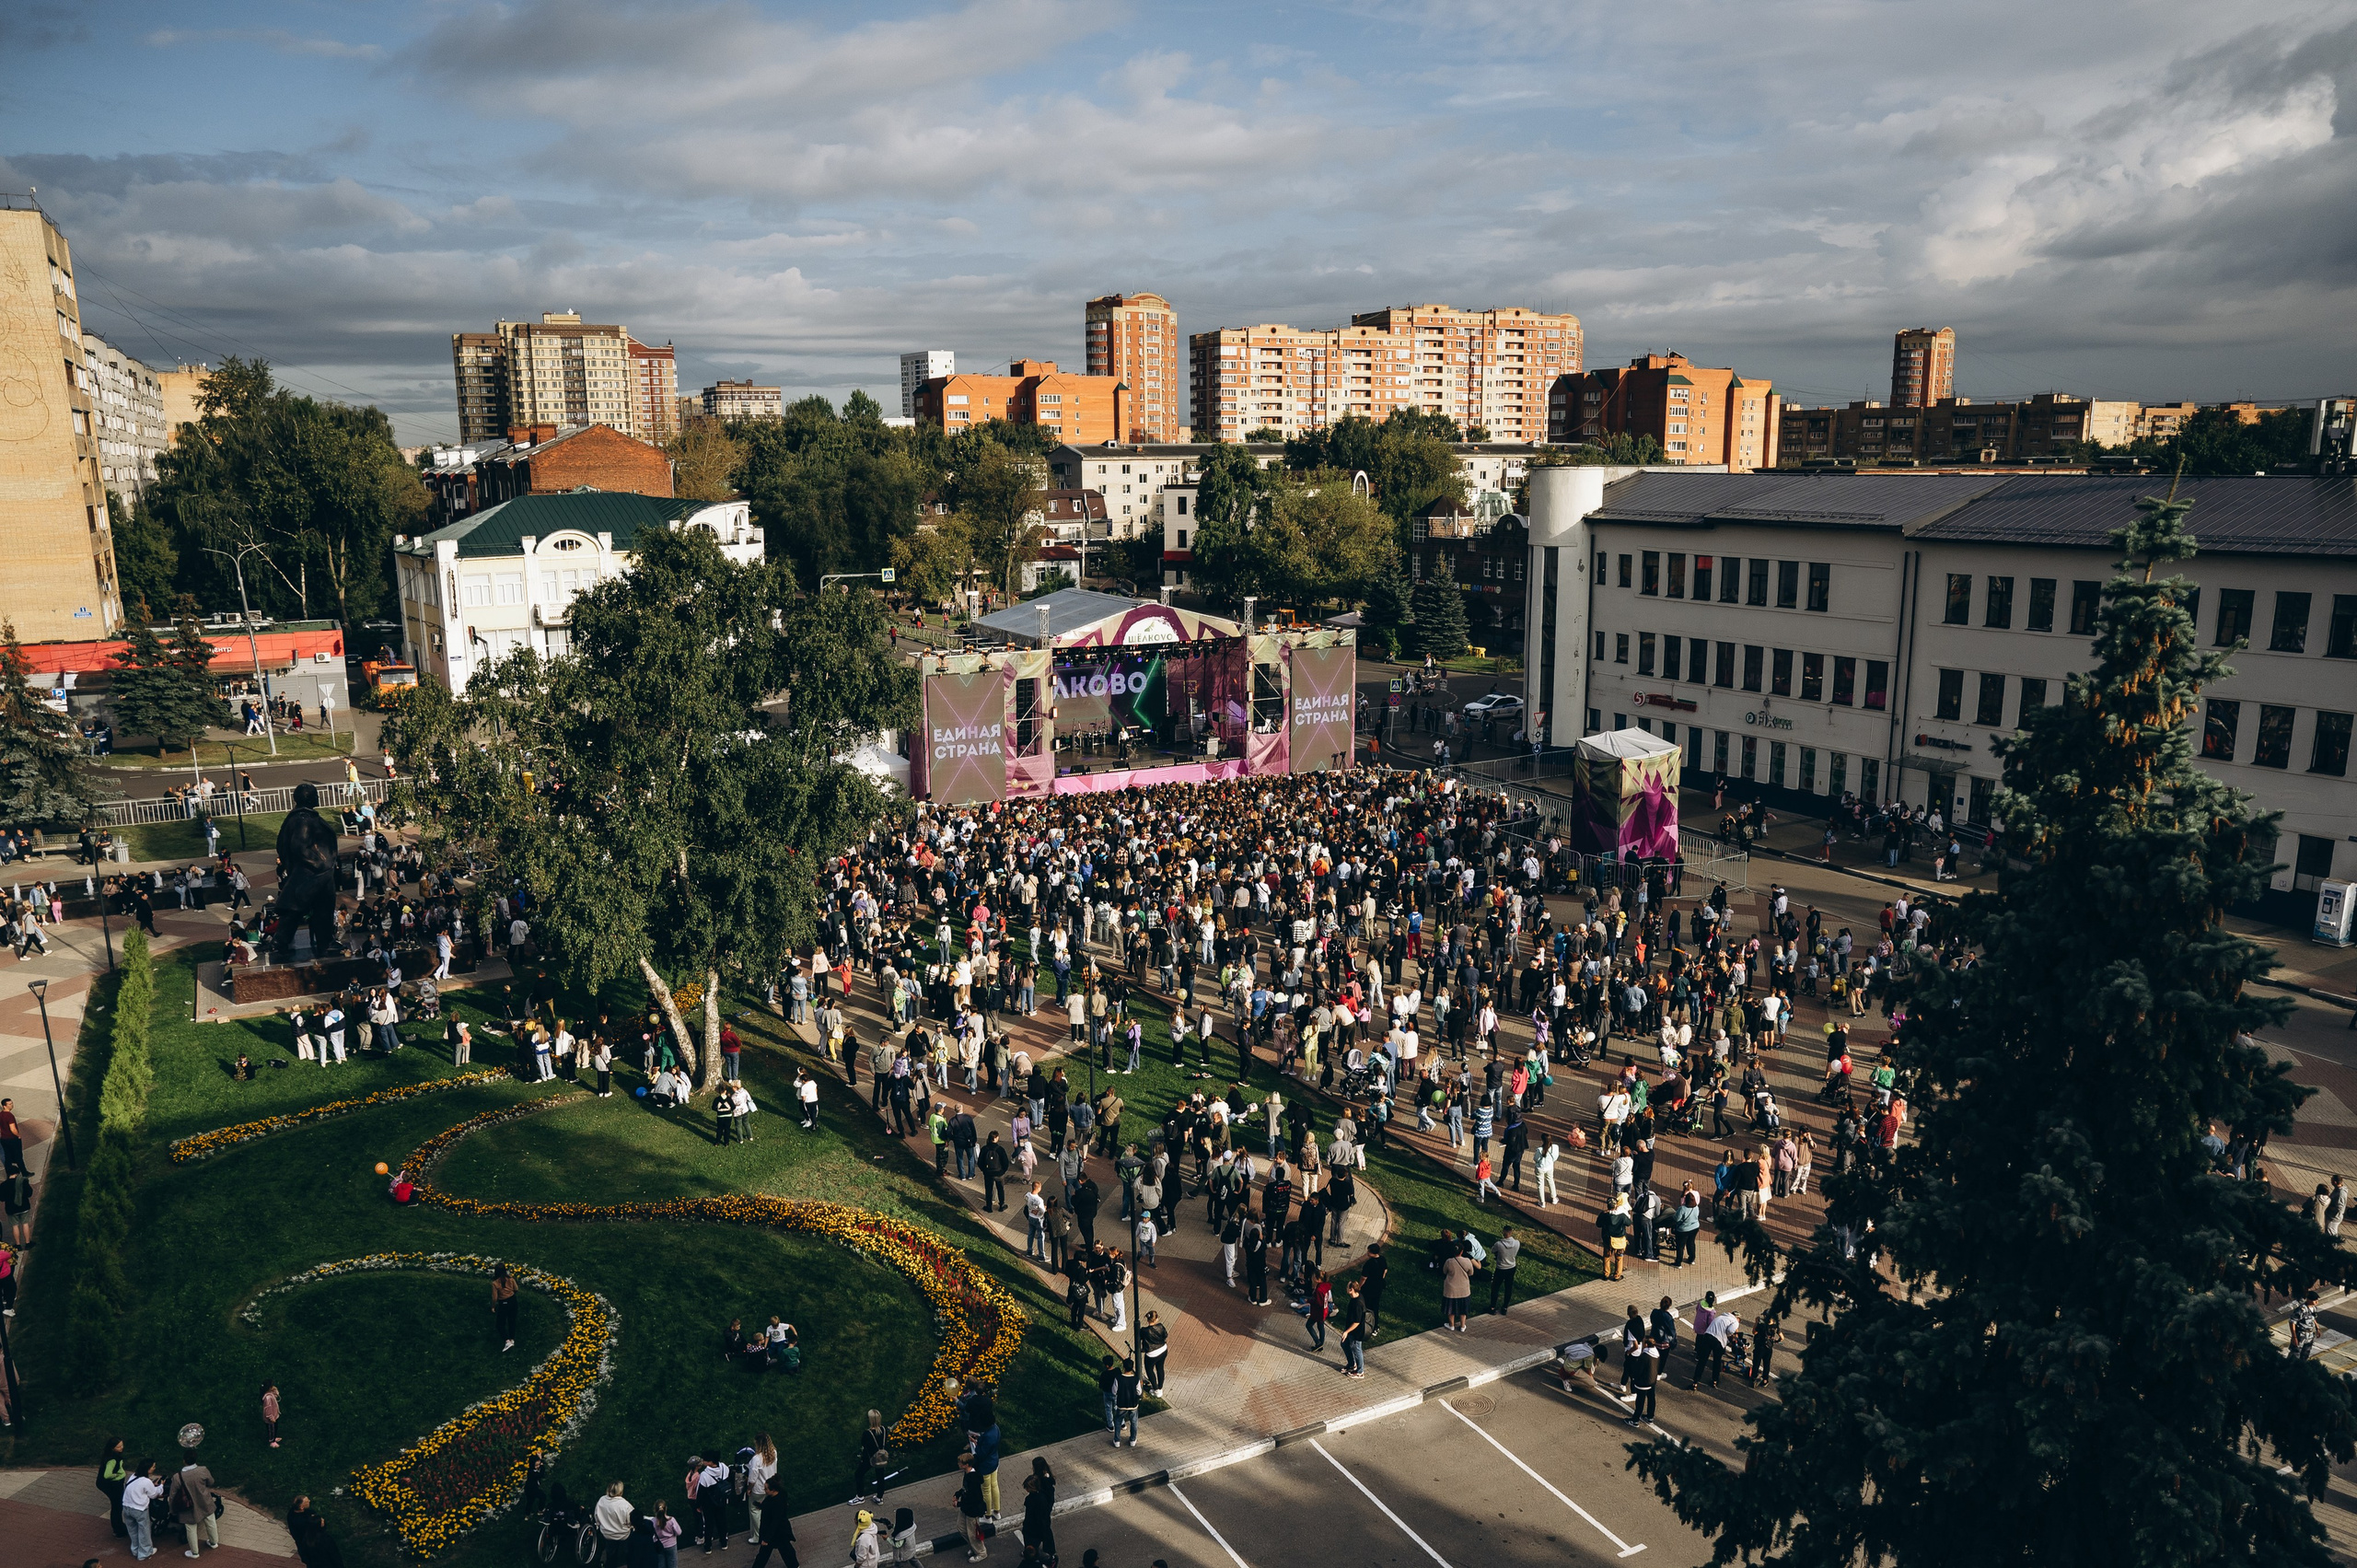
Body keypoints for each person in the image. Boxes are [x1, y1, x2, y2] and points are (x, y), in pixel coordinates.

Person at [168, 1448, 220, 1558]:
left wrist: (172, 1510)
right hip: (205, 1501)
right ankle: (213, 1542)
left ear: (184, 1461)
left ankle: (194, 1552)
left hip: (188, 1506)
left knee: (191, 1528)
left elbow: (172, 1495)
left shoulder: (177, 1477)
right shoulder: (203, 1470)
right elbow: (211, 1482)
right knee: (211, 1522)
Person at [122, 1460, 164, 1562]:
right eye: (153, 1467)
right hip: (139, 1510)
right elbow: (153, 1494)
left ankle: (135, 1549)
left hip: (126, 1507)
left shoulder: (133, 1476)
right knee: (144, 1531)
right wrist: (161, 1486)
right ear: (148, 1469)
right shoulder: (146, 1481)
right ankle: (145, 1552)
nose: (154, 1468)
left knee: (132, 1530)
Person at [749, 1481, 795, 1568]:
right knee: (786, 1550)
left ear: (773, 1490)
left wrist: (766, 1539)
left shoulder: (775, 1503)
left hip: (775, 1532)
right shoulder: (779, 1495)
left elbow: (774, 1522)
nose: (765, 1490)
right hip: (781, 1531)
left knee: (764, 1554)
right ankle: (794, 1565)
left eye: (766, 1488)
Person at [954, 1455, 991, 1562]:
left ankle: (981, 1552)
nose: (958, 1464)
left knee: (973, 1533)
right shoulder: (967, 1474)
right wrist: (957, 1494)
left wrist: (959, 1504)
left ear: (966, 1465)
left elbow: (974, 1498)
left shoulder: (973, 1479)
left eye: (960, 1463)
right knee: (961, 1528)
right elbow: (965, 1488)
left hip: (972, 1510)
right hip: (966, 1507)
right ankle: (974, 1546)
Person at [853, 1410, 891, 1504]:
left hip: (869, 1458)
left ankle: (860, 1497)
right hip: (881, 1457)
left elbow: (864, 1444)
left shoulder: (867, 1433)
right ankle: (879, 1497)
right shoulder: (884, 1430)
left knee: (859, 1474)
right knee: (880, 1476)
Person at [99, 1438, 131, 1536]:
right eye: (118, 1446)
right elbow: (107, 1475)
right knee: (117, 1506)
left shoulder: (110, 1456)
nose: (122, 1448)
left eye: (122, 1445)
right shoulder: (112, 1460)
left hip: (111, 1485)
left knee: (116, 1505)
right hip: (114, 1485)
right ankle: (118, 1529)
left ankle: (118, 1526)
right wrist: (116, 1475)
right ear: (112, 1448)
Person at [493, 1263, 520, 1352]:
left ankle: (507, 1341)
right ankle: (512, 1339)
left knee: (500, 1324)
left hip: (503, 1303)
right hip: (513, 1300)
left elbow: (495, 1297)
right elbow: (516, 1289)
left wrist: (493, 1306)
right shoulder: (511, 1279)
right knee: (512, 1320)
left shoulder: (495, 1283)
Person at [261, 1382, 283, 1448]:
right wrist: (271, 1417)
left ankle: (274, 1438)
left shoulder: (271, 1394)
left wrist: (275, 1390)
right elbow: (268, 1409)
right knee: (271, 1429)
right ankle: (272, 1441)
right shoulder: (268, 1398)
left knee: (275, 1428)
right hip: (270, 1418)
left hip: (274, 1415)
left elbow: (276, 1395)